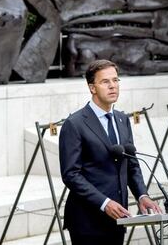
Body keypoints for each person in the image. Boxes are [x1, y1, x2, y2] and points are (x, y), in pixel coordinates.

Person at [59, 59, 161, 245]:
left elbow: (131, 163)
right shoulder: (74, 124)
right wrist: (104, 203)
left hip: (118, 218)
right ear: (92, 88)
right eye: (105, 81)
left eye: (115, 80)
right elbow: (71, 175)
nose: (113, 86)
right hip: (87, 222)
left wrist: (142, 195)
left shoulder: (122, 119)